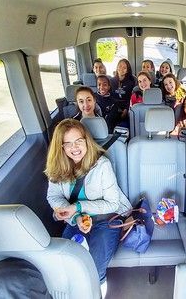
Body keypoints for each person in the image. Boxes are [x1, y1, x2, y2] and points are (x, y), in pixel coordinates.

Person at [45, 119, 132, 284]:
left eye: (79, 141)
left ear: (87, 141)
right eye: (68, 143)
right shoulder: (57, 167)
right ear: (61, 147)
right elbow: (53, 196)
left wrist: (77, 206)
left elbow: (113, 203)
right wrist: (76, 217)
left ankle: (98, 286)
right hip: (76, 219)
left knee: (93, 268)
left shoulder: (102, 165)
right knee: (67, 264)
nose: (75, 147)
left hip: (107, 219)